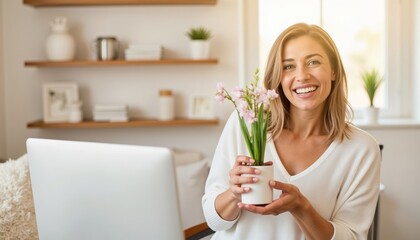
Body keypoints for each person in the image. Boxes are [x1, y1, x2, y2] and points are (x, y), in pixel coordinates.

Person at [202, 22, 381, 239]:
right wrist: (233, 193)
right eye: (288, 66)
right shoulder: (246, 123)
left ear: (333, 70)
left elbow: (352, 237)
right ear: (278, 76)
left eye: (313, 62)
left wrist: (300, 207)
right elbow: (213, 220)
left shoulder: (361, 149)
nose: (302, 75)